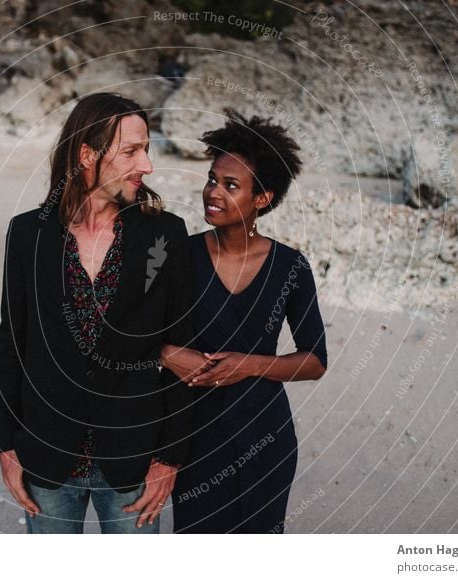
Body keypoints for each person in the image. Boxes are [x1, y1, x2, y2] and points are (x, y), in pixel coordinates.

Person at [0, 93, 198, 533]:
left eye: (147, 149)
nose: (147, 165)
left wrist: (168, 459)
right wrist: (5, 446)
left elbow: (183, 350)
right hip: (45, 454)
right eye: (131, 151)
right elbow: (13, 343)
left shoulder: (165, 234)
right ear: (87, 154)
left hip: (135, 461)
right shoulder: (28, 234)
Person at [160, 110, 328, 533]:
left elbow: (315, 360)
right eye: (212, 179)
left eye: (231, 185)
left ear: (262, 199)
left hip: (265, 437)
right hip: (193, 436)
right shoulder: (180, 255)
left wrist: (251, 364)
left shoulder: (291, 266)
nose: (213, 192)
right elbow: (143, 335)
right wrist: (166, 353)